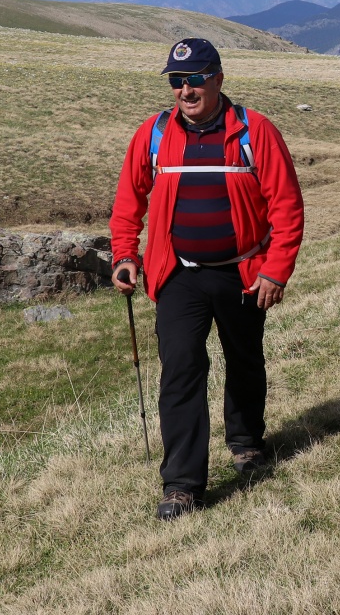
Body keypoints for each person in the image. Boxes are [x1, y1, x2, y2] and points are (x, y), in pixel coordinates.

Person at [110, 37, 304, 520]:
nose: (186, 90)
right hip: (178, 275)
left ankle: (245, 442)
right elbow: (128, 203)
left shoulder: (254, 131)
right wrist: (124, 255)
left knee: (244, 360)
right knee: (180, 371)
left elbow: (287, 207)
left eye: (195, 79)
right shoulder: (153, 134)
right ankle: (182, 486)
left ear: (218, 78)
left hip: (242, 273)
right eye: (177, 81)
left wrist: (276, 270)